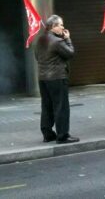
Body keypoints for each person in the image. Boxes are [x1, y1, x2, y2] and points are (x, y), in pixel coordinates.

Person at [35, 15, 78, 144]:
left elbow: (37, 57)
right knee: (61, 106)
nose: (63, 27)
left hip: (43, 78)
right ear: (53, 27)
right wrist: (68, 39)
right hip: (57, 77)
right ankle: (63, 135)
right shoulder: (57, 41)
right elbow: (70, 53)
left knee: (47, 106)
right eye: (60, 25)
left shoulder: (41, 40)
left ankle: (47, 134)